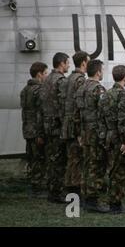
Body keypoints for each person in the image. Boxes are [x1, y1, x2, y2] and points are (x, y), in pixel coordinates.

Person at [75, 59, 109, 213]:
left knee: (87, 165)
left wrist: (79, 133)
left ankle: (85, 197)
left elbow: (76, 114)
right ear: (98, 72)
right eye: (102, 70)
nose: (103, 73)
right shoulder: (98, 89)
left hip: (84, 132)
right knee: (96, 166)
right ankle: (92, 200)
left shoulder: (81, 88)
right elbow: (104, 113)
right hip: (96, 133)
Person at [100, 65, 125, 214]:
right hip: (119, 138)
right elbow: (124, 120)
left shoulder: (106, 94)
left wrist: (103, 136)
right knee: (121, 172)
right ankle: (115, 203)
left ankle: (113, 201)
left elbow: (100, 118)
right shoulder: (121, 95)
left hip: (109, 136)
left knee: (112, 170)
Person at [42, 52, 70, 203]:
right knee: (59, 160)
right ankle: (56, 192)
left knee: (52, 159)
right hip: (57, 126)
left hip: (48, 125)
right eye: (67, 63)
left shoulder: (46, 80)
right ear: (62, 63)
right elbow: (63, 105)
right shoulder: (60, 81)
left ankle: (52, 190)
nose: (69, 65)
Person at [61, 51, 89, 196]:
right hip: (75, 126)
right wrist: (80, 131)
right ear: (84, 63)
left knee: (72, 159)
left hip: (67, 124)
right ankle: (75, 191)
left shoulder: (67, 79)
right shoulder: (80, 80)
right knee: (77, 159)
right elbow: (80, 106)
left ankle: (69, 189)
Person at [20, 62, 48, 198]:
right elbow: (40, 113)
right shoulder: (39, 90)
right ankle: (37, 188)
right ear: (39, 74)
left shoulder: (25, 90)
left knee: (32, 157)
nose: (46, 76)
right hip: (36, 129)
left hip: (27, 129)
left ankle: (34, 184)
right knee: (39, 158)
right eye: (45, 73)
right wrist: (41, 133)